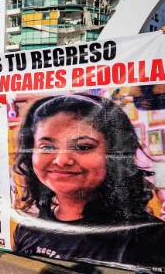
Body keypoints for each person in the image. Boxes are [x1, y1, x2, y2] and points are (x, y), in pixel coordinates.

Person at [12, 93, 165, 269]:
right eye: (47, 147)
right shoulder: (28, 229)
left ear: (115, 155)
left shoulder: (151, 239)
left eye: (83, 147)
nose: (61, 160)